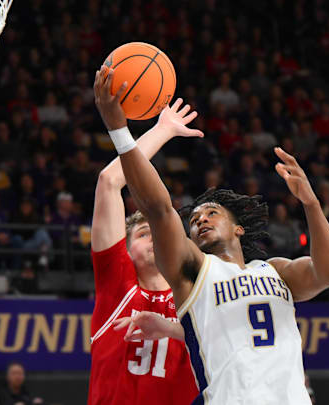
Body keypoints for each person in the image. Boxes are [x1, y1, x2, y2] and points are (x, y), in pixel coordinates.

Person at [95, 65, 329, 404]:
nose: (201, 220)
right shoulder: (194, 273)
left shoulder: (276, 271)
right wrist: (119, 130)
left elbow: (328, 272)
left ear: (238, 227)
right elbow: (159, 208)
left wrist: (311, 203)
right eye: (194, 220)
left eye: (212, 213)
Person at [87, 70, 200, 405]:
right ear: (125, 249)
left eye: (157, 231)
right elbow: (109, 181)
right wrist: (162, 130)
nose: (153, 238)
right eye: (141, 232)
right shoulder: (116, 281)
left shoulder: (193, 295)